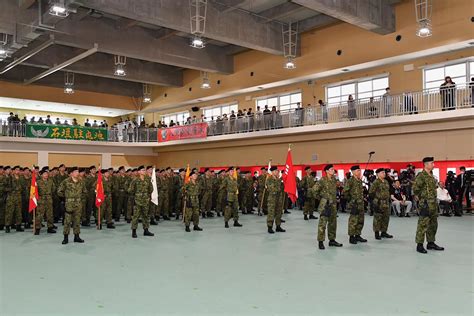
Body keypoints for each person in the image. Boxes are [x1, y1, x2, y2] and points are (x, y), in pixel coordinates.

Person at [413, 157, 444, 254]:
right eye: (431, 163)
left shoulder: (431, 175)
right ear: (426, 164)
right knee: (423, 224)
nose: (433, 165)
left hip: (433, 204)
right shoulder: (421, 176)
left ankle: (431, 243)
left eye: (433, 163)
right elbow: (415, 189)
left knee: (433, 224)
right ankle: (419, 245)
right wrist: (421, 197)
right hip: (425, 204)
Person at [313, 164, 342, 250]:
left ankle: (332, 240)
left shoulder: (334, 180)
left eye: (333, 169)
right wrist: (321, 199)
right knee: (322, 224)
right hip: (325, 205)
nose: (333, 171)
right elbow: (314, 190)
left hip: (333, 204)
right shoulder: (322, 180)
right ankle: (320, 242)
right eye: (331, 169)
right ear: (327, 171)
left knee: (333, 223)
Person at [57, 166, 87, 244]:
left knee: (77, 221)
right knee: (67, 221)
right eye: (76, 172)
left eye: (78, 171)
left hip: (78, 203)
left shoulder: (81, 181)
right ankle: (65, 237)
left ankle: (76, 236)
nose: (77, 173)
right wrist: (66, 199)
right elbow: (59, 191)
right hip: (69, 203)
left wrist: (80, 199)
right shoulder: (66, 181)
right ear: (71, 173)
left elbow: (85, 192)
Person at [344, 165, 367, 245]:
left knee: (361, 220)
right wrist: (351, 201)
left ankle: (357, 235)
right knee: (353, 221)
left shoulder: (359, 181)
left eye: (360, 170)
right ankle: (351, 237)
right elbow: (345, 192)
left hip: (361, 204)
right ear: (353, 172)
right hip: (354, 204)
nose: (359, 172)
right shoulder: (350, 181)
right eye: (358, 171)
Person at [129, 166, 154, 238]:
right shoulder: (135, 180)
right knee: (136, 217)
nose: (144, 171)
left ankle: (146, 230)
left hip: (145, 201)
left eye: (144, 170)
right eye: (142, 170)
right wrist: (137, 194)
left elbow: (151, 189)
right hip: (137, 201)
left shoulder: (148, 179)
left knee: (145, 216)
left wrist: (146, 195)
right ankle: (134, 231)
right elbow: (130, 190)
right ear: (139, 171)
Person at [369, 168, 393, 240]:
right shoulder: (376, 182)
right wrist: (375, 202)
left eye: (384, 172)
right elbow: (371, 192)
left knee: (386, 217)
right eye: (382, 172)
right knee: (378, 218)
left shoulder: (386, 181)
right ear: (378, 174)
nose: (384, 174)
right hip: (379, 202)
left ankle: (384, 232)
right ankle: (376, 233)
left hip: (386, 202)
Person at [35, 168, 57, 235]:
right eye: (44, 174)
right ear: (41, 175)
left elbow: (53, 189)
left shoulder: (50, 181)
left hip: (49, 199)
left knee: (49, 214)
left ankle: (50, 228)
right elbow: (35, 192)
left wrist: (49, 194)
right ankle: (37, 228)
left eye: (47, 174)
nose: (46, 175)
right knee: (39, 215)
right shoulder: (38, 182)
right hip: (41, 200)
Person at [4, 166, 24, 233]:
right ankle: (7, 226)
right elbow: (5, 186)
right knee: (9, 213)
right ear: (13, 171)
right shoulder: (10, 178)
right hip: (11, 198)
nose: (18, 171)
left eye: (19, 170)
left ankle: (18, 226)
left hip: (18, 198)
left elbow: (22, 187)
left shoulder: (21, 178)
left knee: (18, 213)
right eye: (16, 170)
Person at [266, 166, 285, 234]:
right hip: (272, 199)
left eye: (278, 171)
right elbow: (271, 189)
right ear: (273, 171)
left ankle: (278, 226)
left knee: (279, 213)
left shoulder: (279, 180)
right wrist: (279, 190)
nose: (277, 172)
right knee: (271, 213)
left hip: (279, 199)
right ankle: (270, 227)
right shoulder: (269, 179)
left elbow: (281, 188)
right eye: (276, 171)